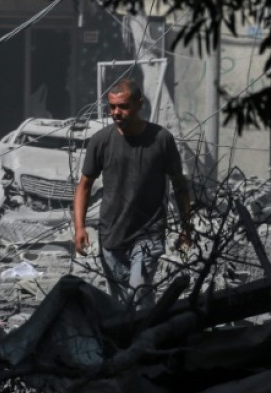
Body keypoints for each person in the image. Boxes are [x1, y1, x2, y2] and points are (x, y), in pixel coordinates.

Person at [73, 78, 192, 309]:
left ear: (139, 105)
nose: (117, 112)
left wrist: (186, 227)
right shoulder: (101, 141)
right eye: (112, 107)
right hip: (111, 235)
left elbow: (180, 185)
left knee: (139, 294)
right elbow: (84, 185)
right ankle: (130, 343)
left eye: (123, 106)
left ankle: (147, 340)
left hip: (148, 234)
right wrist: (79, 227)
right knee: (120, 305)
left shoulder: (161, 140)